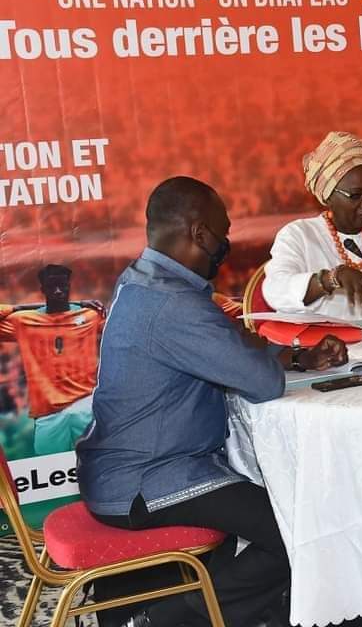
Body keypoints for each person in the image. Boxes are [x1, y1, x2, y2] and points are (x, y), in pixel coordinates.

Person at [77, 176, 348, 627]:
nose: (227, 243)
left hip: (126, 467)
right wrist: (266, 357)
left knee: (282, 516)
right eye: (224, 232)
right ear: (200, 234)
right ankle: (167, 621)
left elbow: (229, 354)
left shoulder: (143, 280)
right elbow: (262, 382)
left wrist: (296, 356)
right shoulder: (173, 305)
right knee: (303, 528)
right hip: (145, 479)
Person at [263, 131, 362, 319]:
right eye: (355, 195)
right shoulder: (298, 235)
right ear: (328, 196)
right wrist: (330, 279)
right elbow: (275, 289)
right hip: (324, 338)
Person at [0, 265, 104, 455]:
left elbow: (122, 325)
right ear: (43, 289)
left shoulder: (90, 316)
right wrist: (19, 307)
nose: (58, 291)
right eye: (51, 286)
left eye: (62, 285)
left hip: (84, 405)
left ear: (69, 285)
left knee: (96, 461)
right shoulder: (24, 321)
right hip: (48, 413)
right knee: (49, 466)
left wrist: (80, 306)